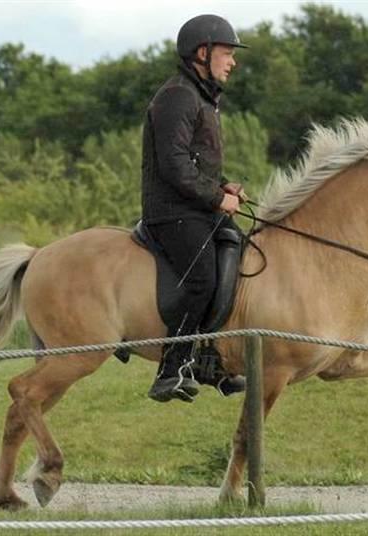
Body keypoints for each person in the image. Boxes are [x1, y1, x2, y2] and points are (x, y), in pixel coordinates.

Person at [140, 14, 248, 403]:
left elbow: (195, 164)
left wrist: (223, 185)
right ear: (202, 53)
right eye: (226, 53)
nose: (232, 62)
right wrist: (219, 198)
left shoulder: (201, 97)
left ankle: (209, 363)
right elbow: (173, 166)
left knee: (240, 258)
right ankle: (170, 371)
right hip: (171, 212)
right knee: (202, 278)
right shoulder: (177, 96)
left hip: (195, 208)